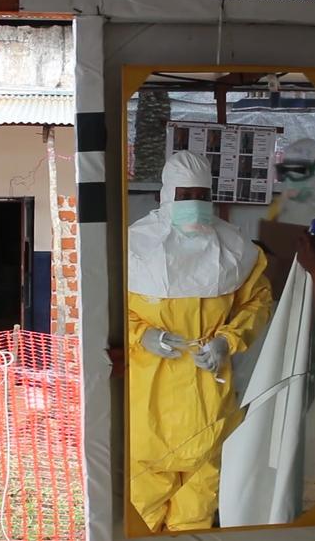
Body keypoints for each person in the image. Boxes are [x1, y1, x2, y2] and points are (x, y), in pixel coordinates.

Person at [127, 151, 272, 533]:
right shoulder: (134, 248)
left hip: (209, 397)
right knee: (143, 505)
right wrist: (144, 335)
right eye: (184, 193)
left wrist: (227, 340)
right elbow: (110, 310)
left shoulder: (237, 252)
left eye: (201, 194)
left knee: (199, 502)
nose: (194, 203)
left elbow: (258, 302)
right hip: (150, 402)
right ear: (166, 195)